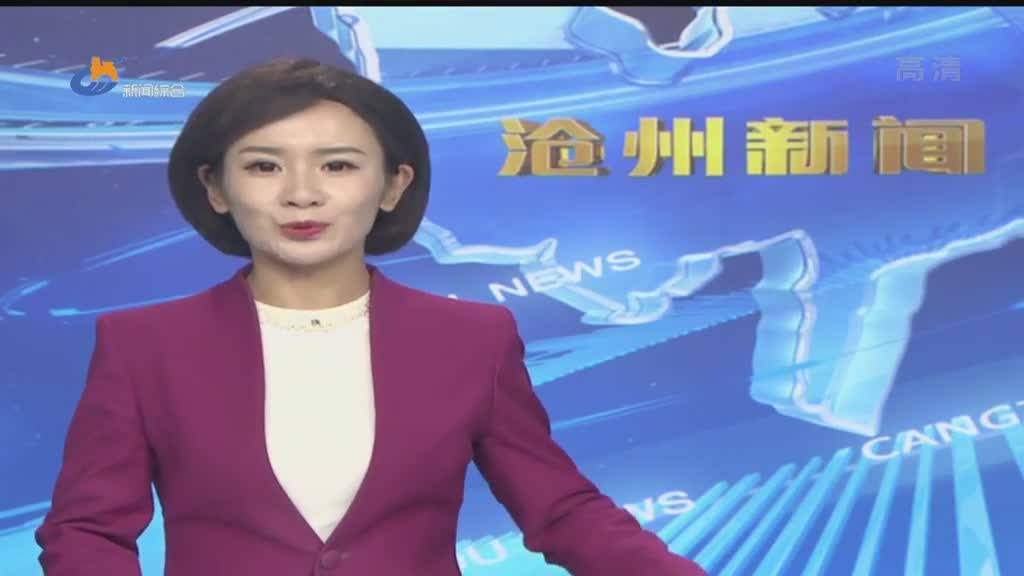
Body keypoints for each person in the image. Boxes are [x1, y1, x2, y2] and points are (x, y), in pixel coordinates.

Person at [35, 57, 707, 576]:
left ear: (392, 184)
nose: (302, 194)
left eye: (337, 165)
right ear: (215, 187)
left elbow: (561, 510)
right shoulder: (143, 345)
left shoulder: (474, 340)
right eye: (264, 166)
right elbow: (88, 532)